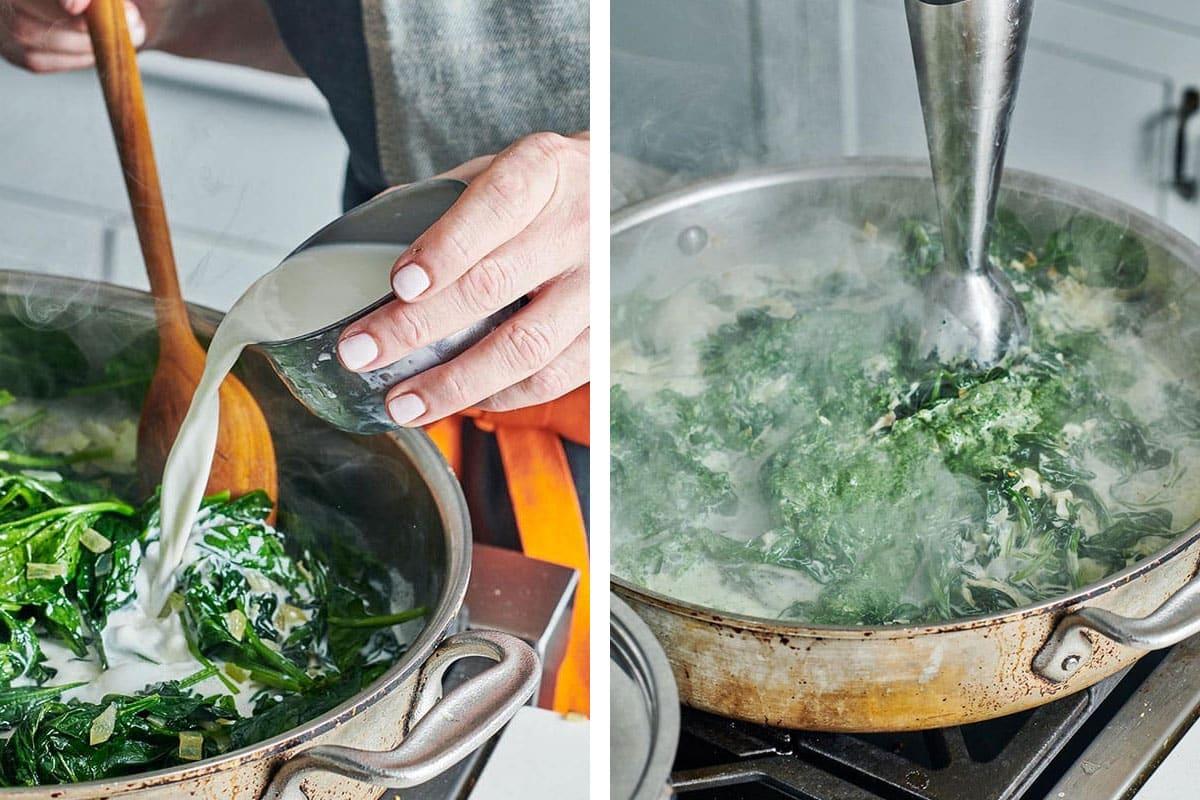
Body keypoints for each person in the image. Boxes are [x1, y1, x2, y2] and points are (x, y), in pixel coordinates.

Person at [1, 0, 589, 427]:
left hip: (607, 357)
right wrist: (171, 13)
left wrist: (619, 196)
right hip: (389, 326)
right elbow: (373, 31)